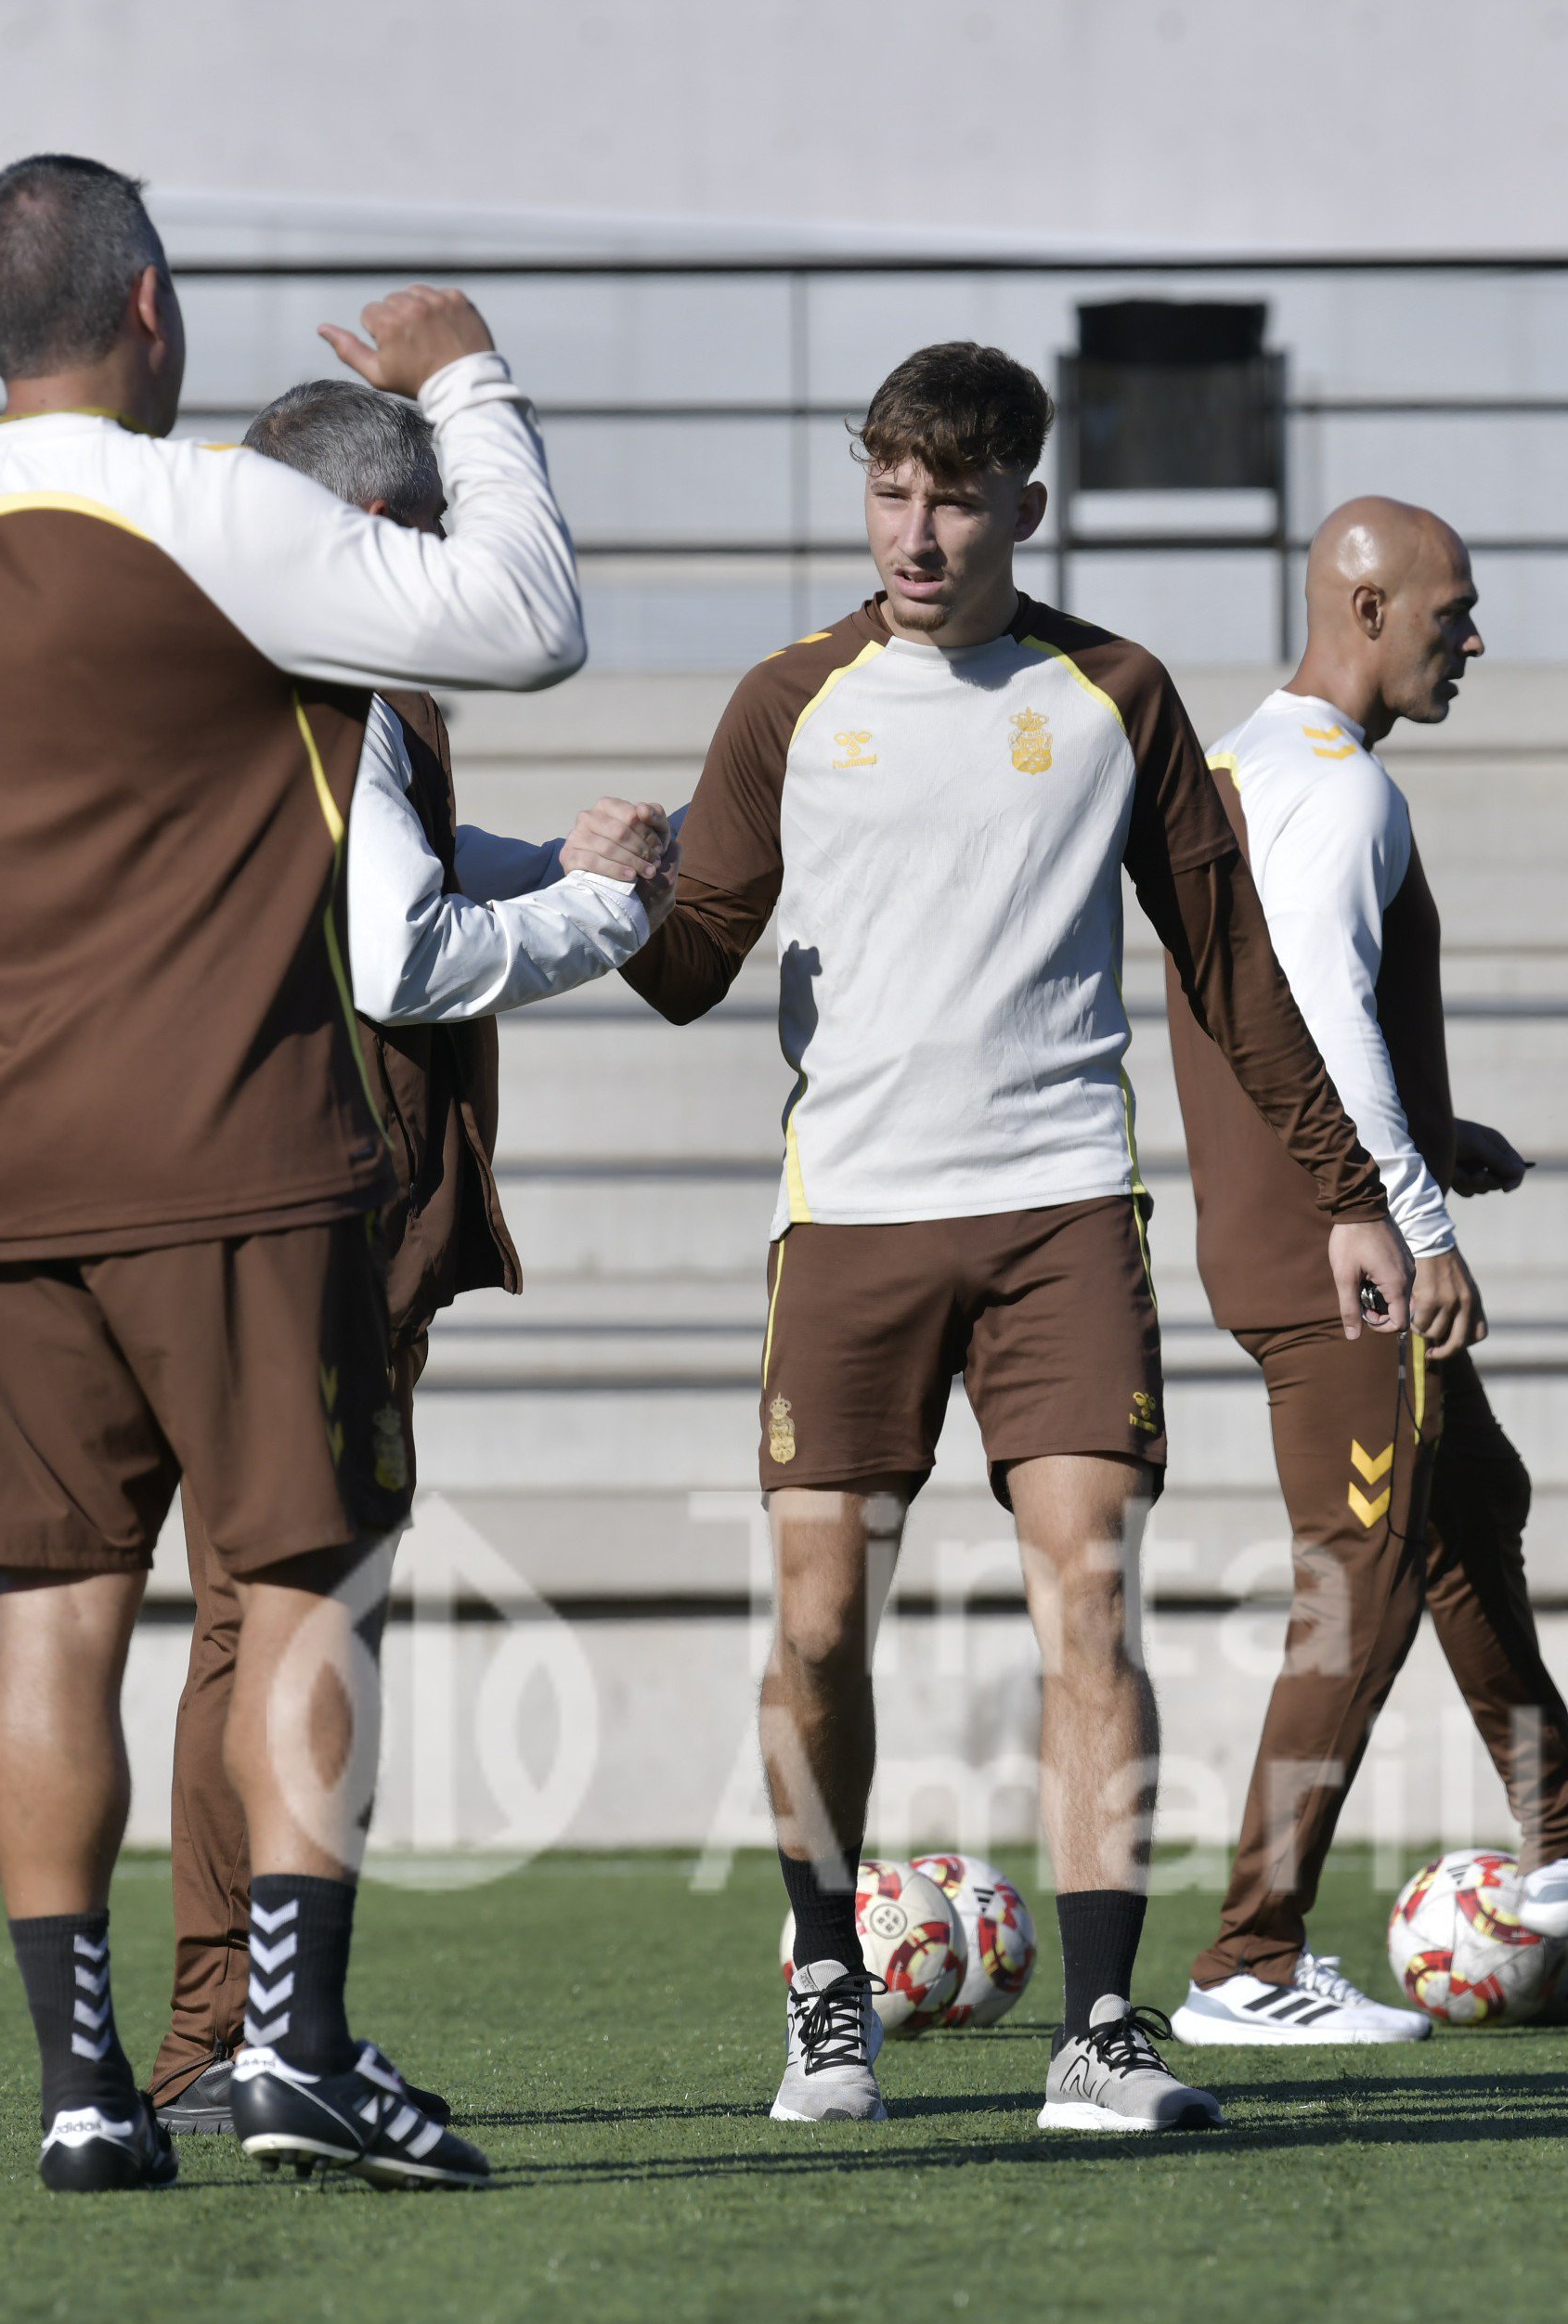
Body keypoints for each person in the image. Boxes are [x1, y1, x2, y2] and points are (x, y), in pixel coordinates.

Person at [0, 155, 653, 2193]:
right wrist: (473, 386)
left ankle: (88, 2090)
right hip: (232, 1150)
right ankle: (295, 2046)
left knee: (52, 1613)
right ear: (155, 310)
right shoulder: (211, 509)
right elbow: (523, 623)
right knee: (304, 1581)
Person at [620, 342, 1407, 2134]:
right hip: (851, 1225)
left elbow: (1234, 975)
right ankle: (828, 1987)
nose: (916, 529)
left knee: (1090, 1598)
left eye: (954, 495)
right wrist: (616, 889)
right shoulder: (786, 702)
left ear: (1022, 508)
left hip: (1058, 1207)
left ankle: (1103, 2031)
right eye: (890, 490)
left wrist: (1351, 1194)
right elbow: (686, 976)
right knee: (821, 1620)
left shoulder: (1113, 693)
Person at [146, 377, 677, 2135]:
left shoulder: (211, 668)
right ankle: (246, 2039)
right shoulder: (350, 681)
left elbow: (383, 872)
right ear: (380, 542)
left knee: (235, 1616)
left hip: (185, 1181)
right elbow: (401, 954)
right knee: (291, 1618)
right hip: (317, 1203)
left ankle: (218, 2035)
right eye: (438, 547)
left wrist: (546, 859)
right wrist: (598, 913)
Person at [1158, 499, 1568, 2049]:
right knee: (1362, 1577)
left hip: (1275, 1221)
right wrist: (1413, 1221)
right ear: (1362, 604)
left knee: (1473, 1502)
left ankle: (1561, 1825)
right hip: (1330, 1254)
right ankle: (1245, 1961)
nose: (1471, 639)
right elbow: (1323, 1016)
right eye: (1449, 612)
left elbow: (1262, 1015)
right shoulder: (1334, 792)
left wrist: (1432, 1127)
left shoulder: (1241, 763)